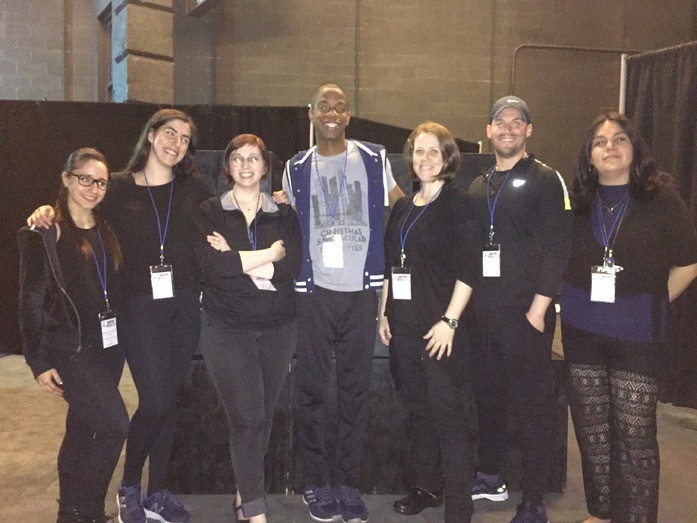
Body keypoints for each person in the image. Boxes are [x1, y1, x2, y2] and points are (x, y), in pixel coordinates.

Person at [28, 109, 214, 523]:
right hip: (138, 310)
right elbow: (78, 210)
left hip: (184, 307)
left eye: (185, 139)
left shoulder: (194, 188)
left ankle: (157, 491)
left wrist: (276, 201)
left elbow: (228, 212)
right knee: (155, 400)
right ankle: (130, 486)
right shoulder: (116, 188)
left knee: (170, 402)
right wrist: (46, 211)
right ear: (151, 135)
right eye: (170, 133)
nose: (176, 143)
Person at [276, 83, 403, 523]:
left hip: (361, 292)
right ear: (310, 114)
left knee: (355, 391)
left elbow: (402, 209)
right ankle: (316, 481)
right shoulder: (295, 166)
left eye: (340, 107)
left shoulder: (373, 158)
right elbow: (288, 221)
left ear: (349, 115)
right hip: (313, 294)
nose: (331, 113)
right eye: (323, 106)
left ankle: (347, 482)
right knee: (311, 390)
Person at [560, 113, 697, 523]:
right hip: (581, 331)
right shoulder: (577, 202)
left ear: (635, 149)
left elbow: (689, 262)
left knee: (635, 436)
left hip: (638, 335)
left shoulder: (661, 200)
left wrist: (652, 301)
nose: (610, 147)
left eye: (619, 139)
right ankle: (601, 514)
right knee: (593, 432)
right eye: (600, 142)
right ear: (589, 155)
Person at [468, 96, 572, 523]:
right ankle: (491, 476)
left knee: (533, 409)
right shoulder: (480, 184)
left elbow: (559, 247)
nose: (508, 128)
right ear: (488, 131)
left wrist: (538, 309)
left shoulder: (546, 179)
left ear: (528, 130)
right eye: (500, 121)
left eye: (517, 122)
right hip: (483, 318)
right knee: (489, 401)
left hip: (527, 316)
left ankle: (533, 499)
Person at [18, 148, 129, 523]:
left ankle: (69, 513)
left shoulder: (106, 227)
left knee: (82, 428)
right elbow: (30, 299)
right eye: (85, 179)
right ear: (66, 179)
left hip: (109, 347)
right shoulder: (45, 232)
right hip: (71, 348)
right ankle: (91, 511)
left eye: (101, 182)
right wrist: (37, 361)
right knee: (115, 427)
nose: (93, 188)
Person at [196, 134, 301, 523]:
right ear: (227, 166)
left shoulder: (283, 214)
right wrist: (269, 253)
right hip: (227, 329)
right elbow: (213, 268)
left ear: (265, 166)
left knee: (263, 416)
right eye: (237, 158)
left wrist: (238, 257)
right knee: (248, 419)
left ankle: (245, 492)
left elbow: (292, 268)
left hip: (277, 329)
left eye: (253, 158)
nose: (245, 165)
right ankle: (256, 513)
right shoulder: (210, 211)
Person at [378, 122, 478, 522]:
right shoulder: (403, 206)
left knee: (448, 418)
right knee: (419, 412)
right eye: (419, 151)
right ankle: (427, 486)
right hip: (403, 328)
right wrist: (384, 313)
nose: (425, 159)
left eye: (433, 151)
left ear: (447, 157)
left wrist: (449, 321)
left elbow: (470, 269)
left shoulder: (459, 204)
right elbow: (392, 265)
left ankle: (460, 507)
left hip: (440, 331)